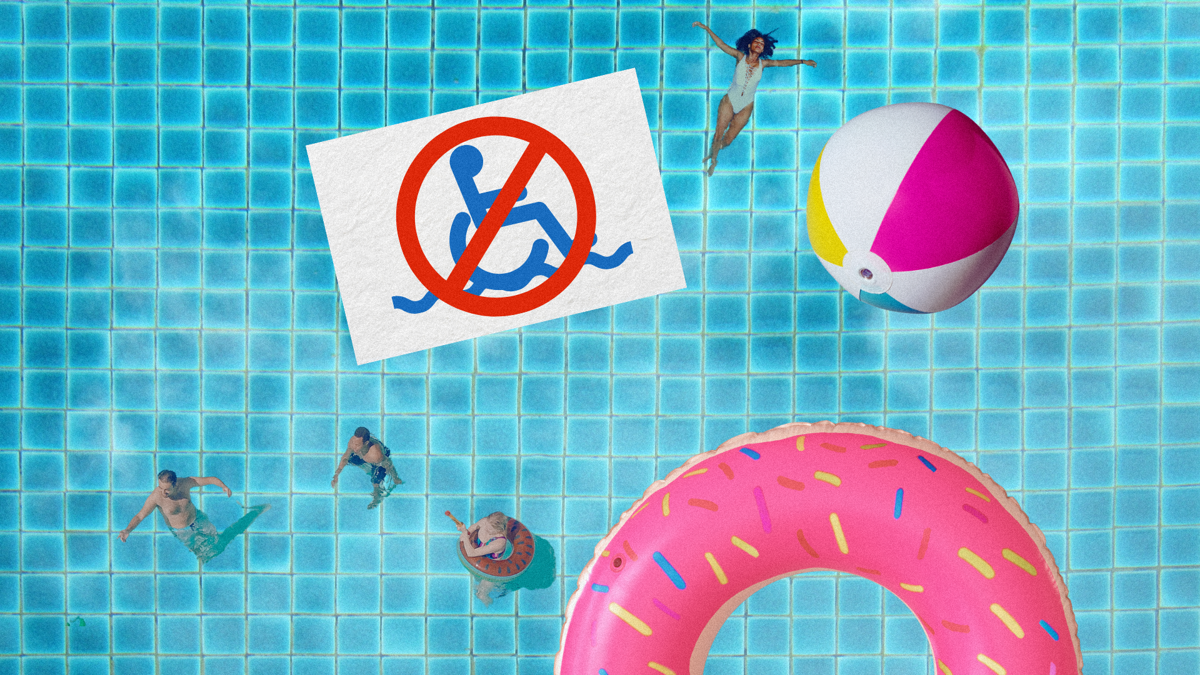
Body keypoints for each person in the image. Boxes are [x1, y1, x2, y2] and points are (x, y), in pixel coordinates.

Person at [693, 23, 817, 176]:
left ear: (763, 49)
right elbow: (721, 45)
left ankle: (713, 152)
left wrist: (803, 61)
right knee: (718, 133)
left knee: (727, 140)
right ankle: (713, 161)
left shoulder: (763, 64)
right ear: (750, 44)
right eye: (757, 42)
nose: (759, 44)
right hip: (730, 101)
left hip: (746, 106)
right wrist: (705, 28)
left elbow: (784, 63)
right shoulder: (740, 57)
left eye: (762, 44)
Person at [118, 469, 269, 564]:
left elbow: (209, 479)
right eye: (160, 487)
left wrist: (223, 486)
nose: (163, 492)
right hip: (181, 532)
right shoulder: (156, 497)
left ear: (175, 484)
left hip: (199, 520)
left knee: (217, 543)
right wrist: (127, 530)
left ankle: (251, 517)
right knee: (204, 554)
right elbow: (140, 515)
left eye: (166, 489)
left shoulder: (186, 483)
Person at [331, 427, 403, 509]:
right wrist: (336, 474)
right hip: (365, 454)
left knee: (376, 481)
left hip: (380, 457)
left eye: (357, 445)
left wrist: (395, 478)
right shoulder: (353, 443)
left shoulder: (376, 455)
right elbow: (345, 458)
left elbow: (388, 464)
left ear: (365, 443)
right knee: (351, 459)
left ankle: (377, 498)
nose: (354, 447)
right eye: (354, 443)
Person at [457, 511, 512, 604]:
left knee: (481, 593)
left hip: (491, 569)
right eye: (486, 524)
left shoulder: (499, 542)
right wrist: (467, 532)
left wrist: (464, 532)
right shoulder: (486, 521)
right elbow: (474, 527)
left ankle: (491, 606)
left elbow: (471, 553)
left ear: (498, 530)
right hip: (480, 560)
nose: (485, 527)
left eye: (489, 528)